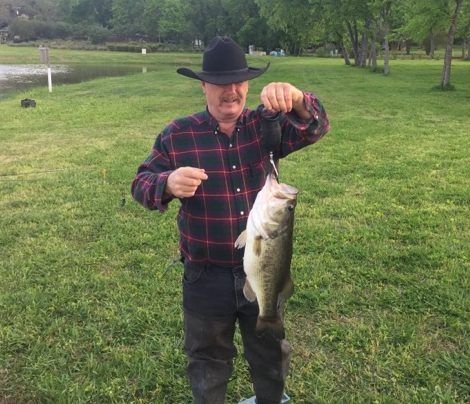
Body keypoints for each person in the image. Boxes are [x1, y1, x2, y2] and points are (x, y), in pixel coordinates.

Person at [131, 36, 330, 404]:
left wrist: (300, 100)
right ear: (204, 85)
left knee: (270, 355)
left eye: (239, 82)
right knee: (207, 360)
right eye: (221, 83)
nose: (232, 91)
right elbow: (140, 184)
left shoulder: (265, 125)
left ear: (248, 84)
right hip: (205, 274)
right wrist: (167, 183)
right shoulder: (178, 134)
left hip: (263, 270)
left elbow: (315, 127)